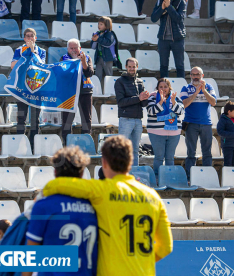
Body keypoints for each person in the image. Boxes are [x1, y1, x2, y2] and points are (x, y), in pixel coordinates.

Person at [42, 135, 173, 275]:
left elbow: (58, 184)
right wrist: (140, 262)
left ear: (104, 162)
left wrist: (43, 195)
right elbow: (166, 247)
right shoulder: (153, 197)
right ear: (130, 162)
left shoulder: (101, 190)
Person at [24, 146, 98, 276]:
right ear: (81, 173)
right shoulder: (95, 206)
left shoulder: (43, 206)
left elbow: (31, 255)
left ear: (55, 173)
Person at [11, 28, 46, 150]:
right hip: (22, 88)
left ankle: (33, 145)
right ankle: (20, 145)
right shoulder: (19, 50)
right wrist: (26, 54)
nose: (30, 38)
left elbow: (41, 66)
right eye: (27, 36)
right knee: (21, 117)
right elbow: (13, 66)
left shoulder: (41, 51)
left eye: (32, 36)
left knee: (35, 119)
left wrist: (32, 52)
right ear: (24, 38)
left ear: (35, 38)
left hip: (36, 88)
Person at [181, 66, 216, 179]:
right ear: (190, 76)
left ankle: (207, 176)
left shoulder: (209, 87)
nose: (195, 77)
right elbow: (184, 104)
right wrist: (196, 93)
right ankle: (190, 176)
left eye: (198, 74)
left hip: (206, 123)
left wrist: (203, 90)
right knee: (191, 153)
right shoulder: (185, 88)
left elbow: (213, 102)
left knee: (207, 153)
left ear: (202, 76)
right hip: (191, 123)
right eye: (193, 74)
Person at [114, 57, 149, 166]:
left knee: (135, 150)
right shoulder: (120, 81)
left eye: (134, 67)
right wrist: (139, 98)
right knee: (122, 149)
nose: (132, 69)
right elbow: (121, 102)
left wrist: (146, 98)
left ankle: (134, 173)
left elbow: (143, 103)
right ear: (126, 67)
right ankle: (119, 172)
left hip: (138, 120)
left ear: (137, 67)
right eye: (129, 67)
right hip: (126, 119)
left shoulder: (140, 82)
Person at [147, 78, 184, 175]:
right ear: (157, 88)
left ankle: (169, 178)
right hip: (156, 132)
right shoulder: (153, 97)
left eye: (165, 87)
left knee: (170, 157)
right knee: (159, 157)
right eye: (161, 87)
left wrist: (173, 102)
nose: (163, 89)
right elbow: (150, 111)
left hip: (174, 133)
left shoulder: (175, 98)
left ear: (169, 87)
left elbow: (181, 111)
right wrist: (160, 102)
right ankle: (157, 179)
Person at [60, 39, 94, 145]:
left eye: (76, 48)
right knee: (66, 120)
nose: (74, 50)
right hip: (69, 92)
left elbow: (89, 73)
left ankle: (85, 145)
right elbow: (62, 75)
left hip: (85, 92)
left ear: (80, 48)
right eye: (71, 48)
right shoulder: (63, 59)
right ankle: (67, 145)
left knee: (86, 119)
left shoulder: (87, 57)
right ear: (68, 49)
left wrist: (83, 61)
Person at [151, 0, 186, 78]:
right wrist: (162, 8)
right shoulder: (159, 2)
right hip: (163, 38)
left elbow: (179, 19)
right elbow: (153, 18)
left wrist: (169, 7)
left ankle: (181, 87)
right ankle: (164, 87)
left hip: (177, 38)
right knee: (163, 66)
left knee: (179, 66)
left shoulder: (180, 2)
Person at [91, 16, 118, 83]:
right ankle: (97, 90)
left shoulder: (110, 34)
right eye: (98, 24)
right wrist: (94, 40)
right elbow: (93, 47)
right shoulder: (97, 34)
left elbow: (108, 44)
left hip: (108, 58)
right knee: (98, 75)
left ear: (107, 26)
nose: (99, 26)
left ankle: (110, 88)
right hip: (99, 58)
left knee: (109, 75)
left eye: (101, 24)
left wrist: (98, 39)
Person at [217, 101, 234, 166]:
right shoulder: (223, 120)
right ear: (229, 111)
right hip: (227, 146)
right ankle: (227, 176)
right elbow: (220, 131)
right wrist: (232, 135)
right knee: (228, 164)